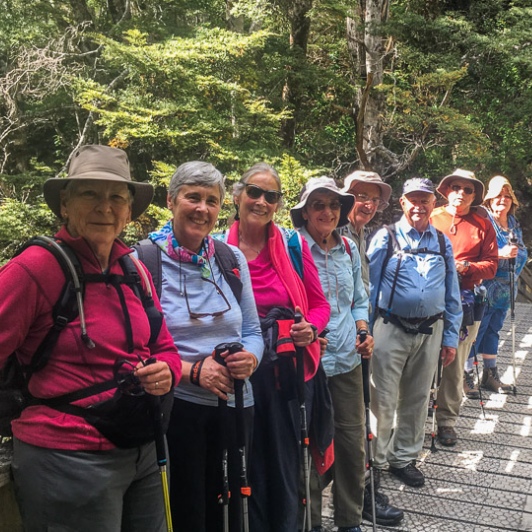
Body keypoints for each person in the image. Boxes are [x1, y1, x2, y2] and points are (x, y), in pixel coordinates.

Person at [0, 144, 182, 532]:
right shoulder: (34, 269)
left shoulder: (134, 269)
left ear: (130, 210)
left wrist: (167, 370)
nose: (105, 207)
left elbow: (164, 345)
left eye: (117, 196)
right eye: (90, 194)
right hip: (66, 457)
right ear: (64, 204)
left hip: (142, 448)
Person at [137, 161, 264, 532]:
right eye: (193, 197)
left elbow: (253, 329)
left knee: (234, 506)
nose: (203, 209)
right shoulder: (143, 262)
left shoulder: (230, 258)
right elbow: (139, 348)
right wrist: (193, 371)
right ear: (171, 201)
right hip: (178, 408)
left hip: (237, 404)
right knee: (189, 509)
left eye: (212, 200)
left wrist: (251, 358)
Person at [225, 162, 330, 532]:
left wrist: (310, 329)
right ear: (237, 196)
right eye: (254, 192)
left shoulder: (292, 245)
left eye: (271, 196)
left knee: (285, 463)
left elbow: (320, 305)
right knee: (245, 462)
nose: (261, 201)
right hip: (240, 372)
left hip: (288, 373)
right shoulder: (217, 250)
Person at [290, 176, 374, 532]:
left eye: (334, 205)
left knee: (352, 444)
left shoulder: (349, 248)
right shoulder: (292, 247)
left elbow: (358, 299)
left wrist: (364, 330)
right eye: (318, 205)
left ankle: (349, 520)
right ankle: (310, 524)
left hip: (348, 361)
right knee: (309, 446)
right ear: (305, 211)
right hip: (309, 366)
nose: (327, 211)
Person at [367, 178, 462, 487]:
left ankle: (403, 458)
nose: (419, 205)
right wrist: (364, 331)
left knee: (418, 397)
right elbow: (370, 288)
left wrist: (450, 338)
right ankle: (376, 462)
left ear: (433, 204)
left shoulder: (442, 241)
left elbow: (452, 294)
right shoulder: (386, 237)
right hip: (390, 327)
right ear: (403, 203)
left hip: (430, 330)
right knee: (382, 398)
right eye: (414, 200)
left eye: (425, 200)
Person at [340, 170, 404, 525]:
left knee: (357, 422)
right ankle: (358, 496)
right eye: (360, 196)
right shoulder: (335, 232)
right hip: (336, 347)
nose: (367, 204)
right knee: (349, 426)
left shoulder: (360, 233)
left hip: (358, 339)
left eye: (373, 198)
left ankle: (361, 491)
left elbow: (363, 290)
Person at [431, 169, 498, 446]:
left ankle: (447, 420)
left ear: (474, 195)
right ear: (446, 189)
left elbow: (492, 264)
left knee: (455, 362)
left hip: (466, 300)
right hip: (428, 298)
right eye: (455, 186)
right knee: (422, 360)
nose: (461, 192)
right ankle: (416, 415)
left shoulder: (482, 223)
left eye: (468, 189)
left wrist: (466, 267)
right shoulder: (431, 216)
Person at [464, 175, 528, 393]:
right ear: (489, 199)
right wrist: (500, 254)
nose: (503, 200)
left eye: (507, 196)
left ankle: (490, 375)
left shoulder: (512, 223)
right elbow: (475, 251)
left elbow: (520, 248)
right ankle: (466, 376)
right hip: (486, 287)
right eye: (498, 195)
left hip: (506, 288)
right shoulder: (484, 220)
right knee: (476, 332)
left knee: (494, 330)